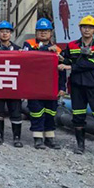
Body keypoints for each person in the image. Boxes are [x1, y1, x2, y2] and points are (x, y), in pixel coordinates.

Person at [59, 15, 94, 157]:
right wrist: (60, 57)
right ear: (80, 29)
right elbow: (66, 59)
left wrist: (71, 66)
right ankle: (80, 146)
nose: (87, 30)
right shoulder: (72, 45)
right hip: (77, 86)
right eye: (84, 27)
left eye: (90, 28)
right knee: (78, 116)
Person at [22, 18, 67, 149]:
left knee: (51, 112)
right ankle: (38, 138)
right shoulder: (29, 44)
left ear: (51, 33)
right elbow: (27, 58)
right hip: (34, 85)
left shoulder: (58, 49)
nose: (43, 33)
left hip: (51, 86)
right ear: (36, 32)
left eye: (46, 31)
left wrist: (62, 87)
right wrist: (47, 49)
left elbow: (62, 71)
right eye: (40, 31)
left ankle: (49, 138)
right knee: (36, 111)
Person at [0, 21, 23, 147]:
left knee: (16, 112)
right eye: (2, 31)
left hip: (13, 86)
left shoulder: (18, 50)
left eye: (7, 31)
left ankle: (17, 138)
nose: (5, 34)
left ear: (11, 34)